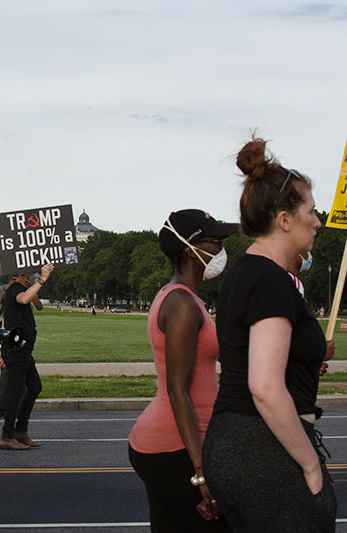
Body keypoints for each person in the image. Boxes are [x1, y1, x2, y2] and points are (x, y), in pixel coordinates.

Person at [202, 137, 337, 531]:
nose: (317, 221)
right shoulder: (270, 280)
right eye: (310, 212)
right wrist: (310, 465)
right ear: (284, 220)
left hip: (238, 441)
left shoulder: (247, 273)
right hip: (260, 446)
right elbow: (264, 386)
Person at [128, 209, 237, 532]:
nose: (221, 250)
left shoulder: (182, 297)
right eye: (214, 242)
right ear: (190, 249)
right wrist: (201, 471)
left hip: (169, 445)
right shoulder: (181, 305)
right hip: (174, 447)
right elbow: (178, 389)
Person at [0, 265, 53, 450]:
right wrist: (42, 279)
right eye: (32, 273)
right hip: (16, 350)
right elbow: (24, 299)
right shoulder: (15, 288)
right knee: (15, 392)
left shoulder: (21, 288)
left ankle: (20, 431)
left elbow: (33, 302)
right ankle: (7, 435)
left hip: (23, 349)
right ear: (23, 274)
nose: (35, 275)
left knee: (34, 386)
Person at [0, 276, 44, 420]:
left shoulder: (29, 288)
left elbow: (38, 306)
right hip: (11, 334)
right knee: (10, 377)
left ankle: (17, 425)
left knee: (29, 383)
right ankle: (6, 413)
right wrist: (9, 288)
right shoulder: (5, 289)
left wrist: (29, 291)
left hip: (23, 336)